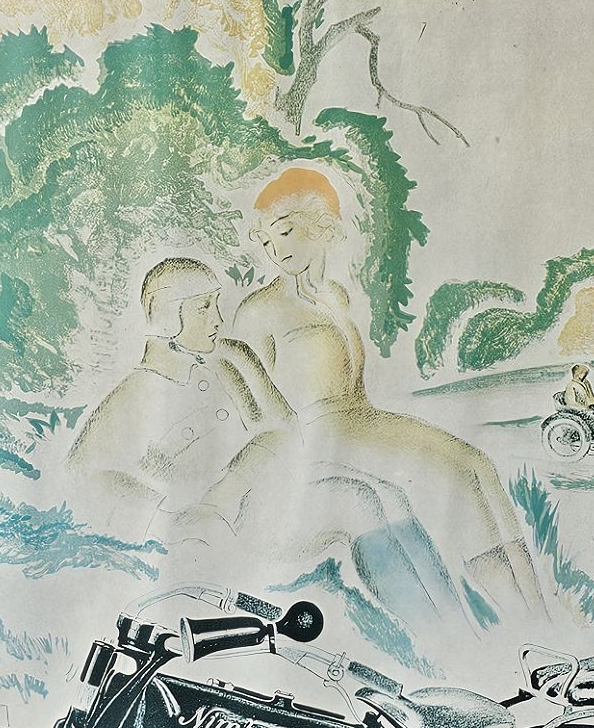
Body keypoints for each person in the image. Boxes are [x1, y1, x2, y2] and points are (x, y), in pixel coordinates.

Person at [228, 166, 548, 625]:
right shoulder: (258, 311)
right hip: (318, 433)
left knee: (477, 462)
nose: (273, 248)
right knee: (455, 478)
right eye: (266, 237)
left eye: (283, 231)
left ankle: (537, 616)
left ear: (320, 227)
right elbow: (251, 411)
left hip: (365, 418)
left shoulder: (336, 297)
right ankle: (517, 619)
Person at [66, 257, 288, 537]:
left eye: (215, 305)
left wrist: (226, 491)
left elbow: (283, 429)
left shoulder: (231, 358)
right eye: (204, 307)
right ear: (168, 314)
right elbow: (82, 479)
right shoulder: (133, 394)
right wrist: (175, 522)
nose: (218, 320)